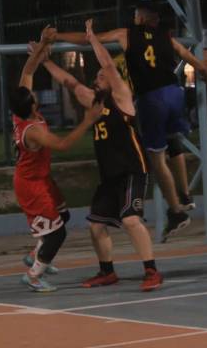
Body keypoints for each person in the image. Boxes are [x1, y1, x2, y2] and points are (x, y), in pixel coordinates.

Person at [53, 1, 207, 240]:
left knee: (156, 158)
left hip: (152, 98)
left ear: (140, 18)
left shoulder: (126, 34)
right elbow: (188, 56)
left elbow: (89, 39)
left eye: (134, 15)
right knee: (174, 142)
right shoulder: (166, 36)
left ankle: (176, 211)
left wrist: (57, 36)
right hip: (175, 93)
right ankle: (184, 193)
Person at [40, 19, 163, 291]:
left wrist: (92, 38)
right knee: (96, 226)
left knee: (130, 219)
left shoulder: (122, 97)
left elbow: (107, 64)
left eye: (101, 76)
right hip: (110, 175)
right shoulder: (94, 102)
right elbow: (70, 82)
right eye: (96, 76)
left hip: (132, 170)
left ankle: (152, 270)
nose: (97, 77)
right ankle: (107, 272)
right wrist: (44, 60)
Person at [12, 27, 102, 292]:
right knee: (57, 233)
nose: (35, 93)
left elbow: (28, 71)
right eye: (33, 97)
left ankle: (37, 254)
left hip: (40, 178)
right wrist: (88, 120)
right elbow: (63, 145)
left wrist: (42, 44)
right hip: (31, 185)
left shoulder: (21, 113)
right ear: (32, 106)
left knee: (63, 214)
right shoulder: (34, 131)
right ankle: (34, 274)